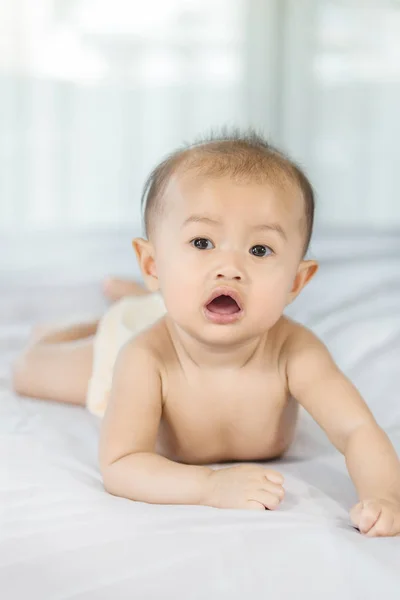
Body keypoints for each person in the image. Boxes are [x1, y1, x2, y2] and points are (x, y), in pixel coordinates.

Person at [12, 130, 400, 537]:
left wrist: (386, 496)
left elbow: (357, 430)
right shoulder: (143, 359)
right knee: (30, 371)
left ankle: (139, 299)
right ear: (153, 264)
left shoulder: (296, 352)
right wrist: (209, 485)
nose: (229, 267)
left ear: (296, 283)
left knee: (163, 303)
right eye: (202, 242)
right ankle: (88, 321)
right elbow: (122, 463)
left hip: (178, 304)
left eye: (260, 250)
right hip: (124, 343)